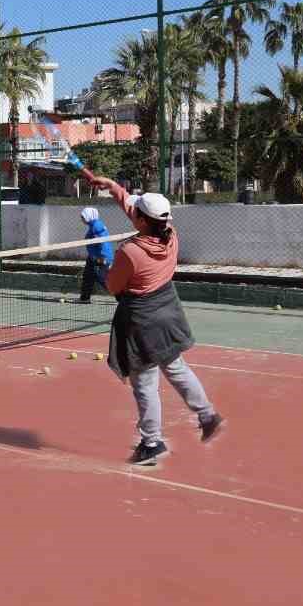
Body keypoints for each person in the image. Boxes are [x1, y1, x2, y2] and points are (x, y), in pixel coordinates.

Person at [79, 167, 224, 467]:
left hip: (141, 320)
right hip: (168, 311)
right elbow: (134, 207)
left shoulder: (130, 251)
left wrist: (104, 267)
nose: (133, 211)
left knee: (144, 383)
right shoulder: (170, 234)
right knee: (177, 369)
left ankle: (152, 442)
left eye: (137, 212)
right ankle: (207, 414)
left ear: (142, 221)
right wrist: (112, 186)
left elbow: (112, 286)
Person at [77, 206, 114, 304]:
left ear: (89, 216)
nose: (82, 219)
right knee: (88, 276)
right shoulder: (93, 225)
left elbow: (103, 243)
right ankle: (84, 298)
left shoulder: (97, 226)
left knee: (102, 279)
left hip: (100, 258)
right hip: (93, 257)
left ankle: (122, 297)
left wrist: (103, 258)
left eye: (83, 216)